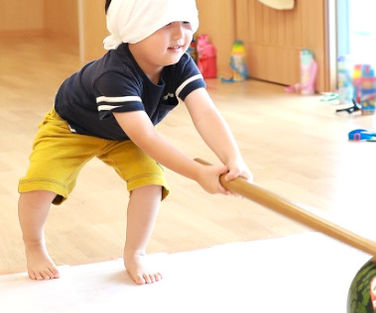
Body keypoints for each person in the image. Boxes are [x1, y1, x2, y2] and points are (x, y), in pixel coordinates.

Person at [17, 0, 252, 285]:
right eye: (166, 25)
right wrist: (198, 172)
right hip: (72, 128)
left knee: (151, 182)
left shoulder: (179, 62)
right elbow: (146, 137)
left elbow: (205, 112)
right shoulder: (114, 74)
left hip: (124, 133)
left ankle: (135, 254)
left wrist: (233, 158)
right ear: (133, 27)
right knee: (41, 184)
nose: (180, 35)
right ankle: (34, 246)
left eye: (186, 22)